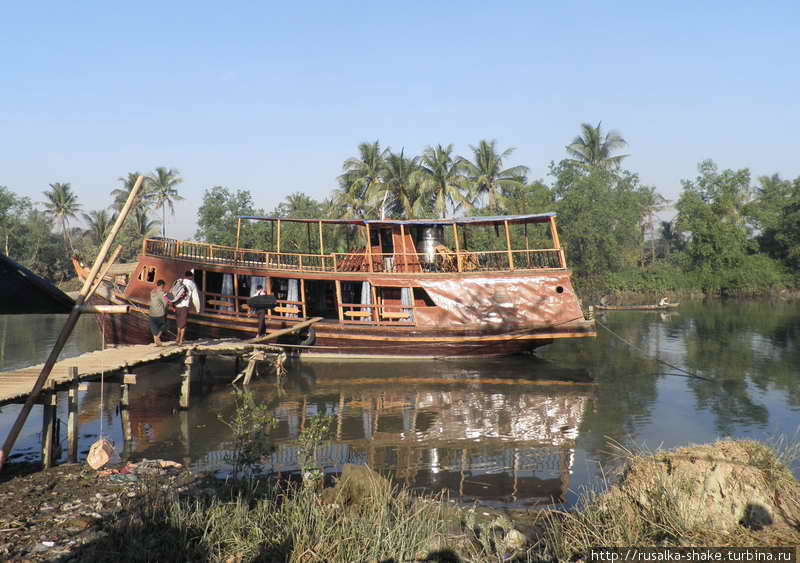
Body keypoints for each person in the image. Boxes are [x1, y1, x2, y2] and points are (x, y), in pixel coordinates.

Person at [170, 270, 200, 346]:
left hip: (176, 305)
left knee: (178, 322)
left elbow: (172, 292)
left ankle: (177, 336)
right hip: (184, 306)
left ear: (185, 276)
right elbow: (195, 297)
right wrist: (197, 308)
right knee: (183, 324)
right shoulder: (192, 284)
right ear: (191, 276)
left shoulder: (179, 281)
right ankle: (180, 340)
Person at [149, 280, 168, 346]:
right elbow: (166, 303)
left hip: (151, 313)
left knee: (154, 327)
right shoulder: (162, 293)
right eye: (163, 286)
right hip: (160, 314)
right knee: (164, 325)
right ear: (162, 286)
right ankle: (157, 337)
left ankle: (156, 342)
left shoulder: (152, 292)